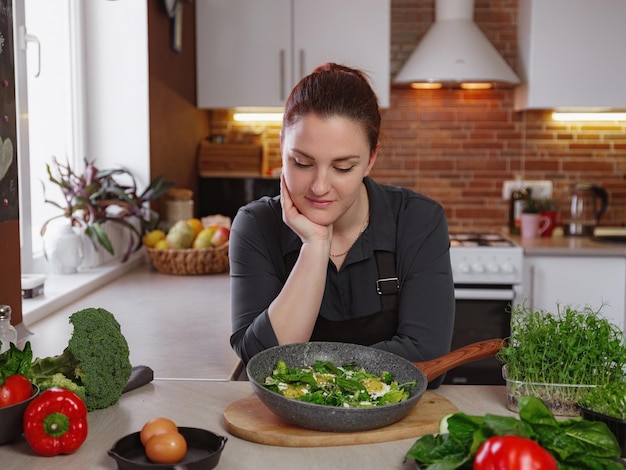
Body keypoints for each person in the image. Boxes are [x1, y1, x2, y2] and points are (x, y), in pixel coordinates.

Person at [229, 63, 455, 387]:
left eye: (343, 167)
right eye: (302, 163)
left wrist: (305, 370)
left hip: (394, 428)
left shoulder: (419, 221)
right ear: (281, 147)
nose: (319, 187)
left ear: (371, 159)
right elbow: (261, 364)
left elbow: (426, 357)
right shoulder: (256, 226)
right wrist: (315, 246)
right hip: (289, 430)